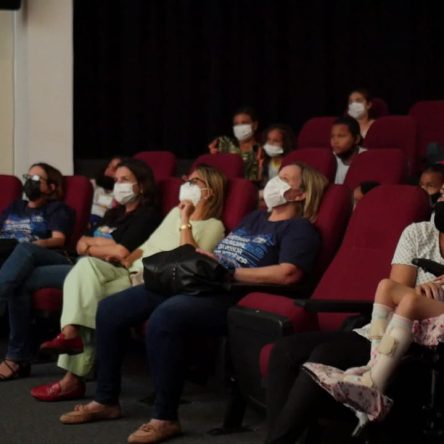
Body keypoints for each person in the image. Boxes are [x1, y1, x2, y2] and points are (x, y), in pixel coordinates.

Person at [57, 162, 328, 444]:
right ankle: (106, 400)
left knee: (165, 319)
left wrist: (230, 272)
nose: (275, 182)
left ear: (300, 194)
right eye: (277, 176)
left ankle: (165, 418)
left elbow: (288, 273)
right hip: (201, 281)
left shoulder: (299, 229)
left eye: (285, 179)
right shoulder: (253, 219)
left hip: (234, 293)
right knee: (111, 310)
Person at [32, 164, 226, 401]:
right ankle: (69, 332)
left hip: (151, 283)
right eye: (187, 180)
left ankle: (72, 378)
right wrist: (125, 259)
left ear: (209, 193)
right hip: (130, 271)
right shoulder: (173, 214)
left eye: (194, 183)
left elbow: (190, 260)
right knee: (85, 266)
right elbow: (146, 247)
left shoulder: (214, 225)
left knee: (91, 298)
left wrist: (186, 219)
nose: (186, 185)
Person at [264, 204, 443, 444]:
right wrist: (420, 291)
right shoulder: (419, 233)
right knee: (284, 351)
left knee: (324, 354)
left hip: (420, 342)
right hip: (386, 328)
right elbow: (394, 293)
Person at [0, 158, 160, 382]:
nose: (118, 185)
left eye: (125, 180)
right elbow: (80, 242)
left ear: (141, 186)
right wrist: (98, 246)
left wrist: (92, 246)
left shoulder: (147, 216)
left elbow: (120, 252)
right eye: (116, 180)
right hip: (79, 265)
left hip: (102, 272)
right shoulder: (114, 214)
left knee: (23, 268)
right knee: (22, 268)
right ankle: (16, 356)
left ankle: (16, 358)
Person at [208, 106, 262, 181]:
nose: (240, 127)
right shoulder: (225, 145)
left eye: (244, 123)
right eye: (236, 124)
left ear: (255, 125)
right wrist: (213, 156)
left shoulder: (260, 150)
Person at [331, 115, 367, 185]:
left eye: (341, 136)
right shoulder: (330, 159)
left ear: (356, 139)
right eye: (332, 136)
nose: (335, 141)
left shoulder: (368, 158)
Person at [90, 155, 123, 226]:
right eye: (108, 166)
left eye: (115, 169)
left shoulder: (123, 192)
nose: (108, 170)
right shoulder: (91, 184)